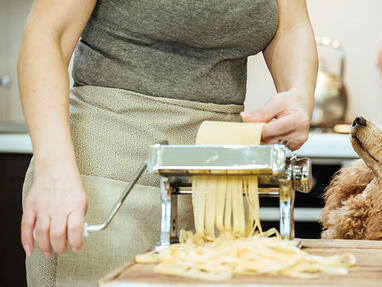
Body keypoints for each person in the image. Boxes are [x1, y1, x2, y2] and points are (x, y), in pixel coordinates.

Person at [18, 0, 318, 286]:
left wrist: (299, 94)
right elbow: (47, 36)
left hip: (220, 178)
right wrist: (53, 169)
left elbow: (291, 27)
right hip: (105, 179)